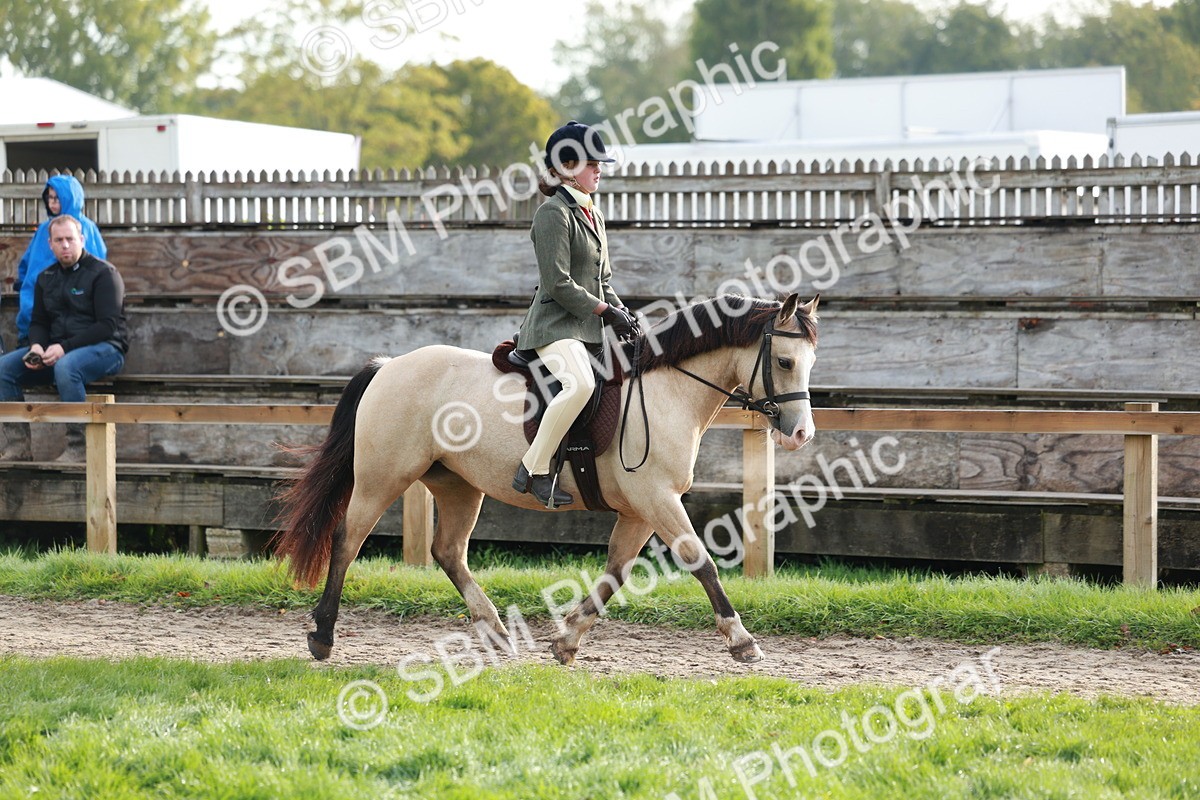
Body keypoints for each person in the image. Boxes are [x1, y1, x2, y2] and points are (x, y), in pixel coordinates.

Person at [511, 121, 638, 508]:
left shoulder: (593, 215)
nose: (599, 169)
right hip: (552, 328)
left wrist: (622, 313)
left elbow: (603, 280)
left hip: (587, 329)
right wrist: (604, 310)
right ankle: (532, 469)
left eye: (600, 163)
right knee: (580, 384)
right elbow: (558, 283)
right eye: (591, 163)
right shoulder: (553, 214)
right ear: (566, 167)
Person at [0, 215, 128, 461]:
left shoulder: (104, 274)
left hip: (106, 348)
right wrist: (37, 345)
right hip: (58, 350)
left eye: (70, 239)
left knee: (67, 367)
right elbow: (38, 321)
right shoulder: (46, 278)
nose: (65, 245)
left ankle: (79, 448)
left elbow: (107, 325)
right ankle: (19, 447)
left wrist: (64, 347)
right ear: (50, 244)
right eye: (59, 240)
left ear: (82, 239)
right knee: (3, 368)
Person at [6, 174, 107, 353]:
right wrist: (23, 284)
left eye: (57, 198)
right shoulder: (44, 229)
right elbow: (27, 263)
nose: (52, 203)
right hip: (38, 301)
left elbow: (97, 265)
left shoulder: (86, 228)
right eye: (49, 198)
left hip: (76, 307)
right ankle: (29, 343)